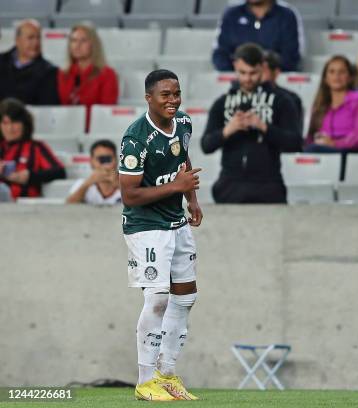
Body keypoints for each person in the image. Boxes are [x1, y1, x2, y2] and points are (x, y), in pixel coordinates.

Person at [118, 69, 202, 401]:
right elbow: (130, 196)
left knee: (185, 297)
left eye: (176, 93)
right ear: (149, 98)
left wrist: (191, 198)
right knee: (157, 298)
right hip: (145, 227)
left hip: (175, 222)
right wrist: (176, 187)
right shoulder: (135, 139)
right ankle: (144, 380)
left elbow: (182, 158)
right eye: (165, 95)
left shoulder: (183, 123)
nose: (173, 100)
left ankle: (166, 373)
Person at [202, 43, 302, 204]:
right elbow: (206, 145)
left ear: (263, 67)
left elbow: (296, 143)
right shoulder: (222, 102)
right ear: (235, 66)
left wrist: (264, 127)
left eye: (253, 73)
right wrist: (228, 130)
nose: (248, 78)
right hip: (229, 186)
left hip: (269, 186)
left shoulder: (282, 101)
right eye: (242, 72)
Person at [57, 23, 119, 131]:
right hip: (67, 128)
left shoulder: (107, 75)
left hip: (96, 130)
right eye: (73, 40)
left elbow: (105, 113)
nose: (77, 45)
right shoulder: (63, 74)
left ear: (93, 45)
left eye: (83, 40)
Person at [0, 98, 65, 200]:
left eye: (15, 123)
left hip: (24, 206)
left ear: (24, 124)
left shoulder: (36, 147)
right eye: (5, 123)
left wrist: (29, 176)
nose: (10, 128)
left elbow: (59, 172)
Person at [212, 0, 303, 72]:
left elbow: (291, 57)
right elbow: (220, 54)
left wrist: (265, 72)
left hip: (276, 83)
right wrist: (241, 73)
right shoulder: (231, 14)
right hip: (236, 82)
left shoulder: (287, 15)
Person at [305, 55, 358, 152]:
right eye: (332, 72)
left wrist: (335, 143)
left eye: (342, 72)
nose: (336, 76)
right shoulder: (320, 103)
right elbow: (311, 136)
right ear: (325, 78)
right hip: (321, 149)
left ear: (350, 77)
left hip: (351, 151)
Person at [0, 19, 59, 105]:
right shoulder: (1, 62)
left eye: (38, 38)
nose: (36, 43)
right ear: (17, 40)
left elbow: (47, 106)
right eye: (30, 38)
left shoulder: (49, 71)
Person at [66, 139, 121, 205]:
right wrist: (87, 184)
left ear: (116, 160)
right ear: (91, 162)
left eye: (108, 159)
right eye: (101, 159)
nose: (105, 164)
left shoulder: (128, 184)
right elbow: (68, 206)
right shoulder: (82, 184)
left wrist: (120, 186)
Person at [262, 50, 303, 135]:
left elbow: (293, 136)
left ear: (276, 72)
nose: (259, 75)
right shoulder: (244, 97)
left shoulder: (291, 99)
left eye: (263, 71)